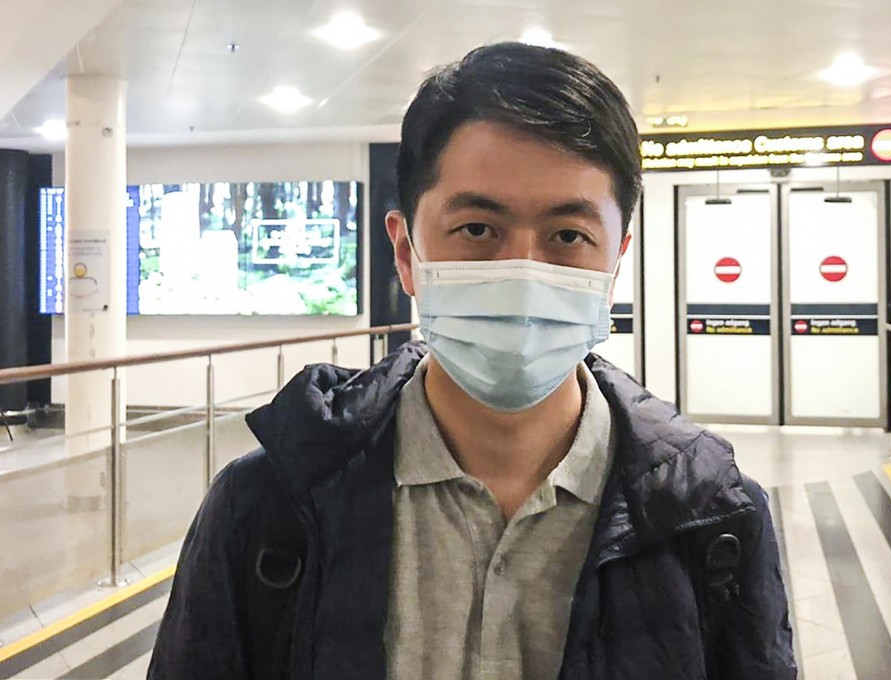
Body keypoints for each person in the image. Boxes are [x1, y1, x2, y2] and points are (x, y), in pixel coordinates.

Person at [148, 42, 796, 680]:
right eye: (478, 230)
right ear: (406, 254)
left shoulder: (711, 518)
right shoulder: (267, 506)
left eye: (568, 235)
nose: (522, 273)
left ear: (615, 262)